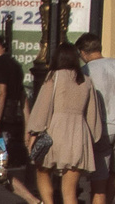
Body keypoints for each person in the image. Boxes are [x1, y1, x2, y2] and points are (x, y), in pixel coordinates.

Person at [25, 47, 106, 204]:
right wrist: (92, 138)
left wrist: (34, 132)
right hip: (78, 134)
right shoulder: (86, 81)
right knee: (69, 192)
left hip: (56, 132)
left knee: (42, 172)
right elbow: (93, 116)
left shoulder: (53, 77)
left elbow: (43, 107)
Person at [0, 31, 29, 204]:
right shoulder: (15, 65)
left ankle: (34, 201)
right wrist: (27, 126)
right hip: (5, 124)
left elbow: (1, 93)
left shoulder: (0, 65)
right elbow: (23, 97)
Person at [79, 34, 115, 204]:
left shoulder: (86, 71)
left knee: (98, 181)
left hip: (99, 129)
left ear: (83, 53)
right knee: (114, 175)